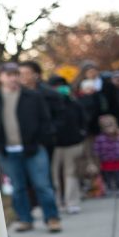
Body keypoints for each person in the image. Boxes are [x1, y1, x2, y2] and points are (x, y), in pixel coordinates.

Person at [0, 62, 61, 233]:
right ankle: (24, 219)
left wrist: (41, 140)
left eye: (16, 74)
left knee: (42, 185)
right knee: (17, 187)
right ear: (0, 78)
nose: (13, 78)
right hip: (7, 151)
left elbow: (45, 121)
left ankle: (52, 218)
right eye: (8, 75)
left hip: (34, 149)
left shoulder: (33, 96)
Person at [47, 76, 88, 214]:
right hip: (54, 145)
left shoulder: (74, 104)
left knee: (70, 174)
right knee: (54, 176)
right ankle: (57, 203)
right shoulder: (47, 104)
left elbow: (83, 121)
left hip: (73, 143)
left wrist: (81, 134)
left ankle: (72, 202)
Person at [93, 114, 119, 197]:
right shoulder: (100, 138)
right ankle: (109, 188)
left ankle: (118, 188)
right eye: (106, 126)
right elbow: (97, 148)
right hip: (105, 161)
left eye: (110, 125)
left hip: (117, 160)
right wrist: (98, 155)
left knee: (118, 176)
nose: (109, 128)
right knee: (107, 176)